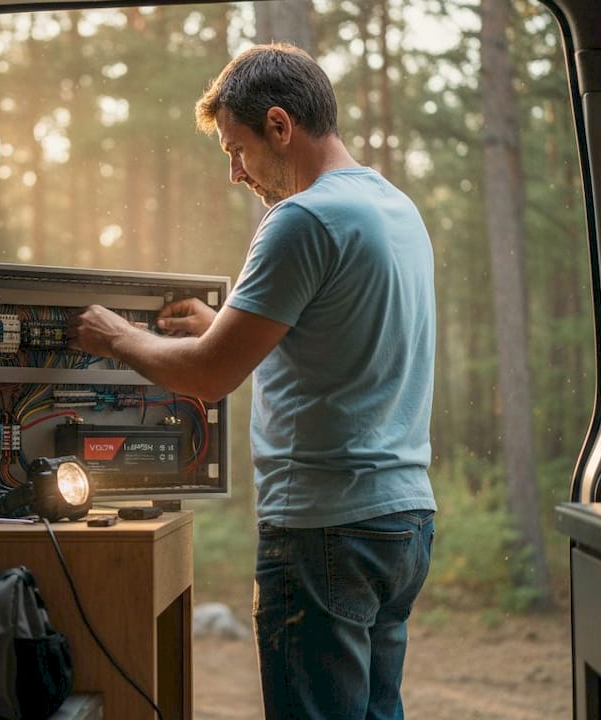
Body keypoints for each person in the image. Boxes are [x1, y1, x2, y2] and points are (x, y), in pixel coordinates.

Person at [67, 42, 436, 719]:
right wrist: (225, 322)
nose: (236, 174)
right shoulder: (395, 209)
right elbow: (334, 344)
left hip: (324, 529)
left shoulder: (300, 218)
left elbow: (207, 378)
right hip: (402, 523)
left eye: (235, 150)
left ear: (278, 126)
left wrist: (116, 335)